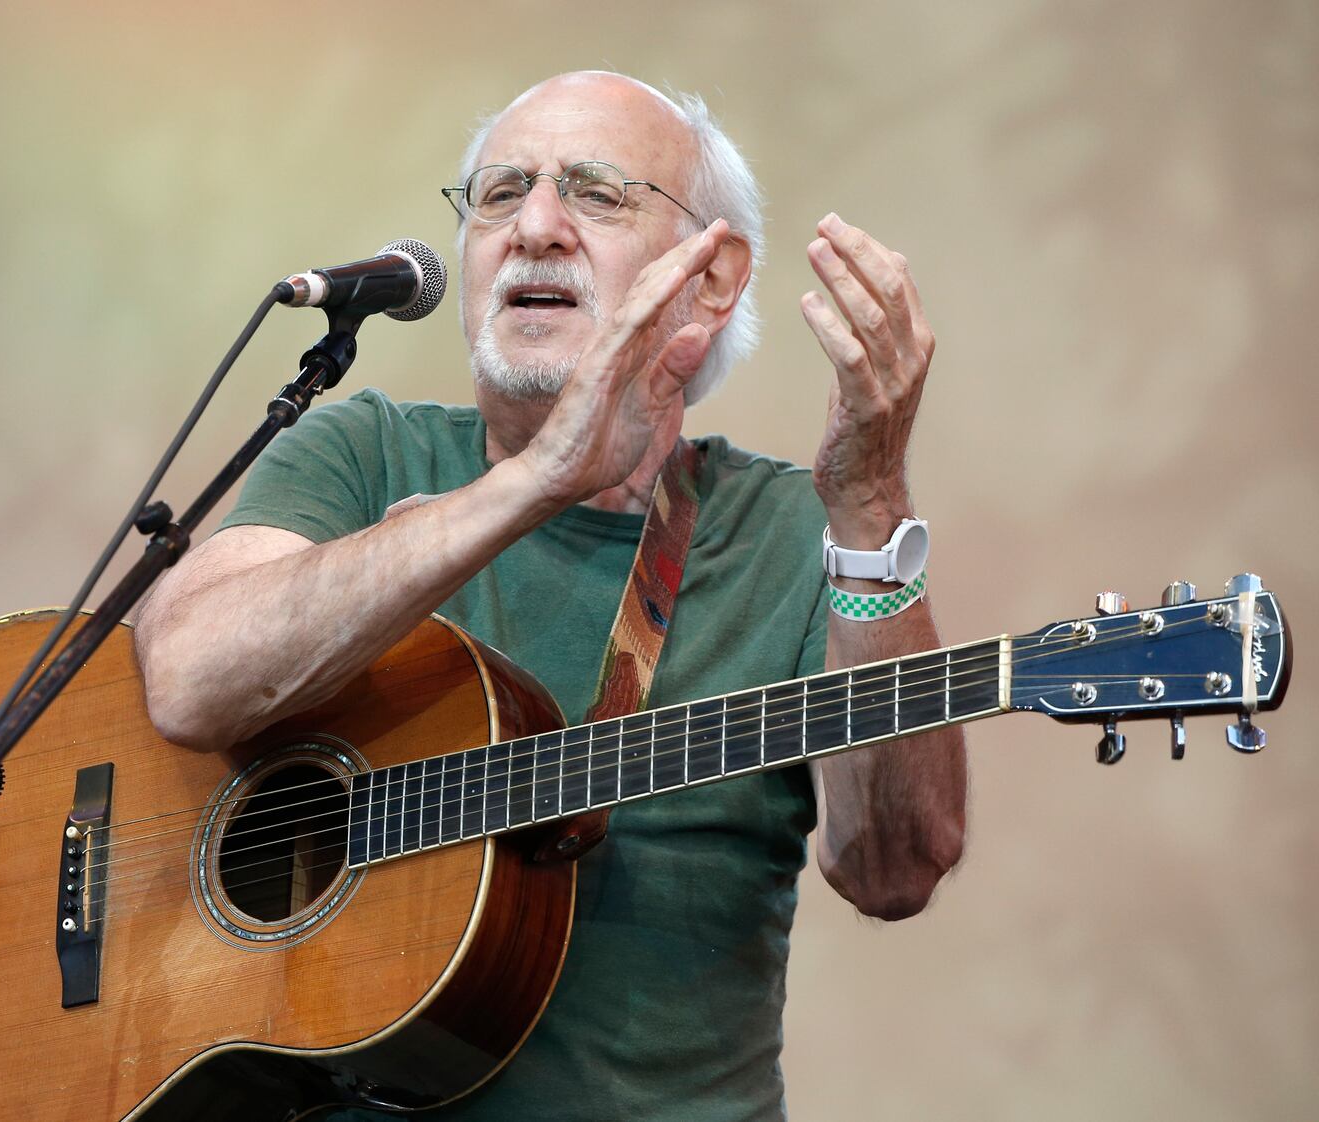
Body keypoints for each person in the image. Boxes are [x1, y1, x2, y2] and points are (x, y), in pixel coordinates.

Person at [134, 71, 966, 1121]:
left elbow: (895, 866)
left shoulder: (798, 536)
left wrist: (872, 506)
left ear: (709, 280)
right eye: (498, 193)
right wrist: (534, 480)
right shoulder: (364, 450)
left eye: (597, 193)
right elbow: (187, 678)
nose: (533, 226)